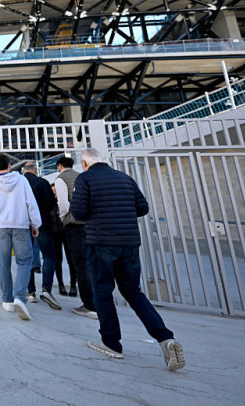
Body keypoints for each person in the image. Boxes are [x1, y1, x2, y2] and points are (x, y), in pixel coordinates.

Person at [71, 149, 186, 371]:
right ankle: (165, 339)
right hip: (130, 244)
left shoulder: (84, 178)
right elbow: (142, 207)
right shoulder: (125, 178)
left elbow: (78, 212)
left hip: (101, 243)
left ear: (85, 163)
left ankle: (111, 342)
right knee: (134, 292)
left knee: (102, 292)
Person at [0, 154, 41, 321]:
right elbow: (30, 203)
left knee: (4, 263)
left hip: (1, 226)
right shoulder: (22, 180)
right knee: (25, 261)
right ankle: (19, 296)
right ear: (10, 165)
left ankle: (7, 300)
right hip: (20, 225)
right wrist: (35, 224)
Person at [55, 157, 97, 319]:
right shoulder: (81, 176)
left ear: (59, 166)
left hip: (73, 224)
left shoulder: (61, 179)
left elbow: (63, 204)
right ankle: (98, 300)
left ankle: (89, 305)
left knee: (80, 264)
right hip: (88, 224)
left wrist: (63, 218)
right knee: (91, 262)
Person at [21, 161, 62, 310]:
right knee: (49, 256)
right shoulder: (42, 182)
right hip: (43, 224)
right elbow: (51, 203)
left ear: (24, 171)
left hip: (25, 225)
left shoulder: (20, 183)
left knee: (27, 258)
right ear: (35, 170)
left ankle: (30, 291)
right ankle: (46, 289)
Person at [50, 181, 76, 297]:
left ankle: (73, 285)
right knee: (58, 259)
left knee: (71, 259)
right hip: (54, 233)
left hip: (67, 232)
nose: (55, 193)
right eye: (53, 191)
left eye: (56, 191)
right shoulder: (49, 204)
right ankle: (61, 284)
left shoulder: (65, 202)